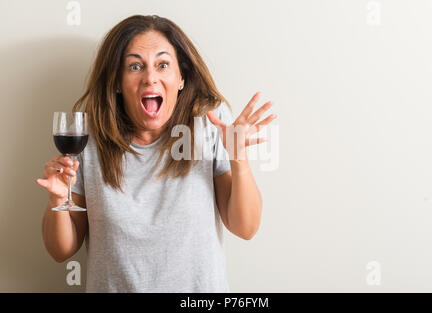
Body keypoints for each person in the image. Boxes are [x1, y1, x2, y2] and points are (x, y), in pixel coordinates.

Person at [36, 14, 276, 293]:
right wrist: (57, 200)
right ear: (116, 82)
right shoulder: (86, 138)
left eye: (163, 65)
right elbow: (61, 251)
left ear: (181, 78)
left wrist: (238, 159)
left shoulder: (209, 122)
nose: (151, 77)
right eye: (135, 66)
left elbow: (245, 228)